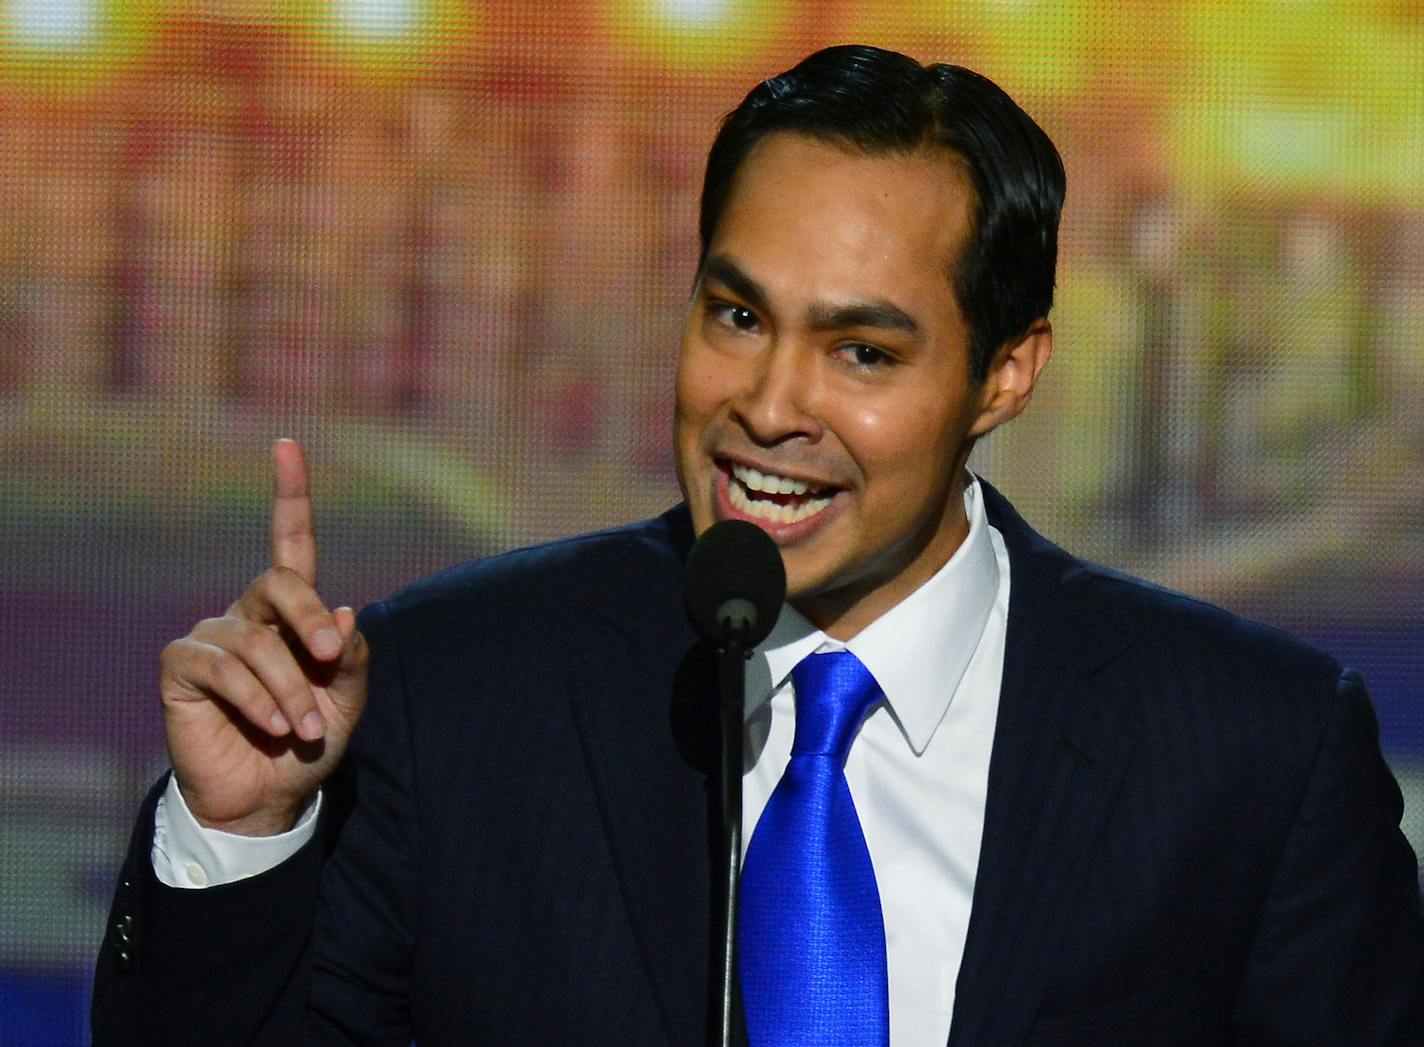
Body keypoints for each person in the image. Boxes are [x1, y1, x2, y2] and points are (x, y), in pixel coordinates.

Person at [92, 45, 1422, 1045]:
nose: (768, 407)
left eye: (861, 350)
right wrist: (241, 836)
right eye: (735, 315)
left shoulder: (1255, 752)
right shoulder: (454, 690)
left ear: (1006, 376)